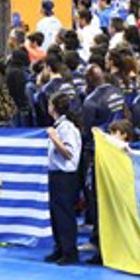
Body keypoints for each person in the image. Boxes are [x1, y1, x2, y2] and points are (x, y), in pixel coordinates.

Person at [45, 92, 82, 266]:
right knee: (56, 214)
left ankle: (70, 251)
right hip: (56, 175)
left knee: (64, 214)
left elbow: (69, 153)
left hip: (65, 177)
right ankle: (59, 248)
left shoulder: (66, 128)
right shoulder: (59, 126)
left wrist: (54, 138)